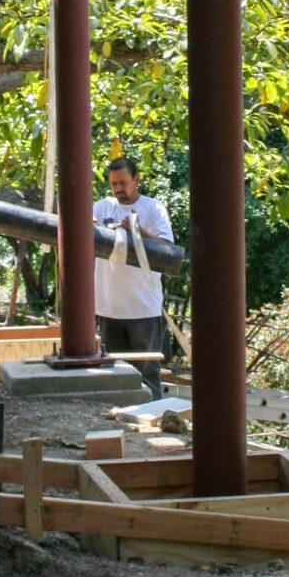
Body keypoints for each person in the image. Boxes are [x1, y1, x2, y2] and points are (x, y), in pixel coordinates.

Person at [93, 155, 172, 399]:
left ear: (136, 180)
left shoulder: (153, 208)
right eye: (113, 184)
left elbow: (168, 251)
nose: (118, 189)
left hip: (143, 309)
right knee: (112, 376)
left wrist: (138, 231)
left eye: (123, 183)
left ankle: (154, 424)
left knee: (148, 375)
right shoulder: (101, 207)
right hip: (108, 308)